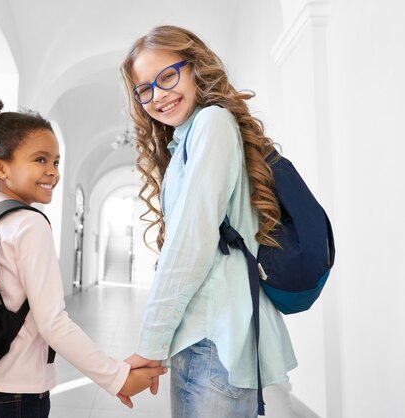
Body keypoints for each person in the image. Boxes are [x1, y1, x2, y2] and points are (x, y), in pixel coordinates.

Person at [119, 25, 298, 418]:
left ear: (196, 66)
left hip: (211, 337)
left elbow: (192, 242)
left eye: (168, 76)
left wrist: (151, 345)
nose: (158, 96)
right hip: (210, 333)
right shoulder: (189, 136)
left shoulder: (211, 124)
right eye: (144, 89)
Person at [0, 96, 167, 418]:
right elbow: (53, 323)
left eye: (56, 162)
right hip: (14, 393)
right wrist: (117, 377)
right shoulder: (29, 223)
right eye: (40, 160)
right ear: (0, 167)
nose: (52, 172)